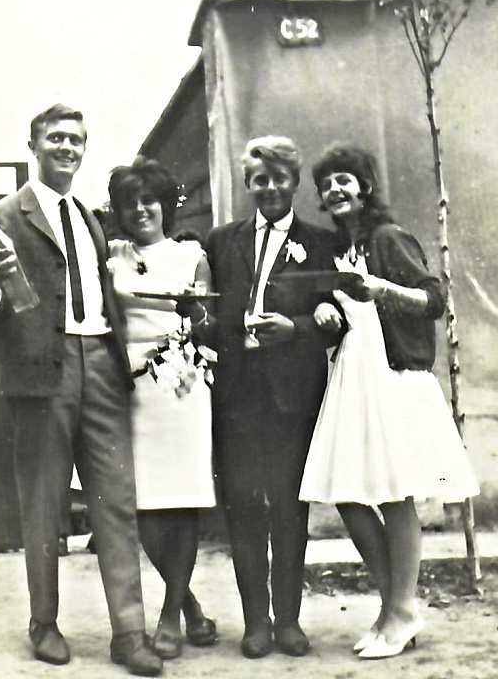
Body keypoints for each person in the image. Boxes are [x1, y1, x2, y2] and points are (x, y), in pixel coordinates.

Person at [0, 104, 162, 677]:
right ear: (33, 145)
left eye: (76, 139)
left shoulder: (89, 216)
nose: (67, 147)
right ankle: (44, 623)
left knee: (116, 501)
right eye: (55, 138)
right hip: (40, 375)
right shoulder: (2, 216)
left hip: (101, 362)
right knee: (44, 503)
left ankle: (129, 633)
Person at [299, 144, 480, 660]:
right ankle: (396, 605)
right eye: (326, 183)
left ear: (365, 186)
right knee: (349, 495)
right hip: (352, 376)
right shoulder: (338, 248)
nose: (334, 189)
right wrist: (325, 312)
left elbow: (434, 301)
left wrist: (382, 289)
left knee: (395, 494)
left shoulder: (387, 238)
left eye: (344, 179)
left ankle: (398, 611)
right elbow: (340, 310)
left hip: (391, 376)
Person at [183, 136, 341, 660]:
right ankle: (255, 621)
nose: (270, 187)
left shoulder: (320, 243)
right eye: (260, 179)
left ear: (294, 182)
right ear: (248, 183)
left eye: (279, 178)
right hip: (236, 395)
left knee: (290, 510)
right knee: (244, 507)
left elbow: (337, 317)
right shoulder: (221, 241)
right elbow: (206, 308)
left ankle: (289, 620)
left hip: (291, 396)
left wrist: (296, 328)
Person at [107, 158, 217, 661]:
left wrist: (196, 312)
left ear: (165, 205)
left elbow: (208, 321)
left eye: (148, 199)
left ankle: (170, 616)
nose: (140, 210)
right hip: (129, 389)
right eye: (130, 203)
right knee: (144, 506)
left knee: (182, 499)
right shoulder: (112, 257)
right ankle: (189, 603)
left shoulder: (191, 255)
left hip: (181, 384)